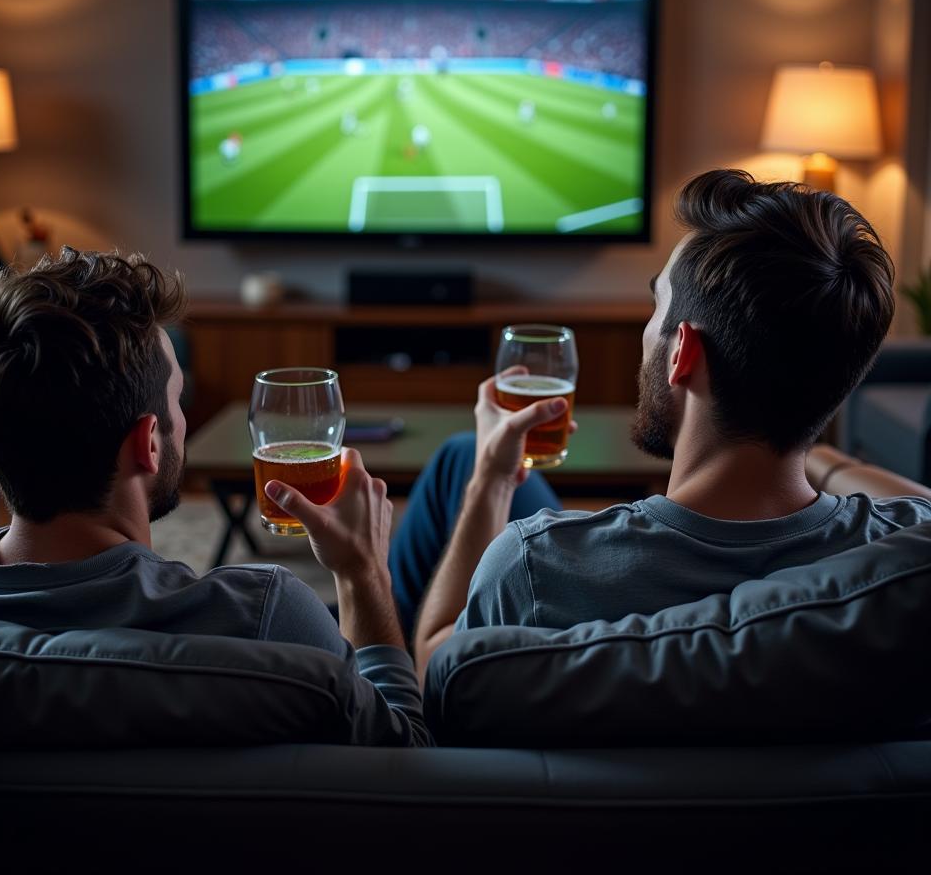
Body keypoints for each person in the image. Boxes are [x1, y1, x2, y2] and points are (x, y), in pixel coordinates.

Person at [341, 169, 928, 677]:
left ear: (682, 354)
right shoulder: (904, 560)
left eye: (657, 305)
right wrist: (824, 457)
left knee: (464, 461)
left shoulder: (535, 566)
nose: (650, 327)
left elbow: (441, 666)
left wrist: (489, 483)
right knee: (466, 452)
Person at [0, 248, 427, 745]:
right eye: (178, 400)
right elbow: (400, 754)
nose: (183, 419)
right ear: (148, 443)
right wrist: (364, 574)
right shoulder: (264, 618)